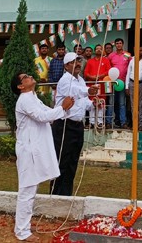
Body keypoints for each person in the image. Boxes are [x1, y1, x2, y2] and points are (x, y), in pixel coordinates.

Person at [11, 72, 74, 242]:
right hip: (28, 150)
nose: (30, 76)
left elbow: (50, 113)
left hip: (35, 150)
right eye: (25, 76)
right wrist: (63, 108)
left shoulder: (33, 98)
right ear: (20, 86)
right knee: (27, 190)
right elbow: (42, 117)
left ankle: (24, 226)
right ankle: (22, 231)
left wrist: (64, 107)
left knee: (31, 189)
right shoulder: (24, 100)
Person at [51, 53, 92, 196]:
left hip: (77, 125)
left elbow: (83, 102)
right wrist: (88, 91)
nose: (78, 64)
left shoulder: (80, 80)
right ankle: (56, 194)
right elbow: (74, 92)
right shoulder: (64, 80)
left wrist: (94, 104)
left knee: (73, 161)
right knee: (62, 160)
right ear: (66, 65)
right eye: (74, 62)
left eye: (79, 61)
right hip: (64, 125)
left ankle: (66, 194)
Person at [83, 44, 112, 127]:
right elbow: (85, 73)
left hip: (102, 85)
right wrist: (91, 77)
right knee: (92, 102)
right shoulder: (90, 61)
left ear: (102, 51)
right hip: (91, 84)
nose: (98, 50)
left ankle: (99, 122)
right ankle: (92, 122)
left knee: (101, 102)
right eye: (97, 49)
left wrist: (100, 76)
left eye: (100, 49)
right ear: (94, 51)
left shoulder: (106, 60)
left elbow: (108, 71)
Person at [108, 38, 131, 128]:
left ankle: (123, 122)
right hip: (112, 82)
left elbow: (130, 68)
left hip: (123, 82)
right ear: (115, 45)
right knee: (111, 102)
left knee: (122, 103)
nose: (118, 45)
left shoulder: (127, 55)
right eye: (117, 43)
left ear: (123, 44)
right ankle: (109, 122)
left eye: (120, 43)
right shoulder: (111, 55)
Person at [125, 47, 142, 130]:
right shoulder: (132, 60)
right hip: (132, 83)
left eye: (141, 50)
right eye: (137, 50)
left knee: (141, 105)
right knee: (133, 105)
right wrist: (126, 86)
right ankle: (134, 124)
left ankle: (141, 124)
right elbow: (128, 73)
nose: (139, 52)